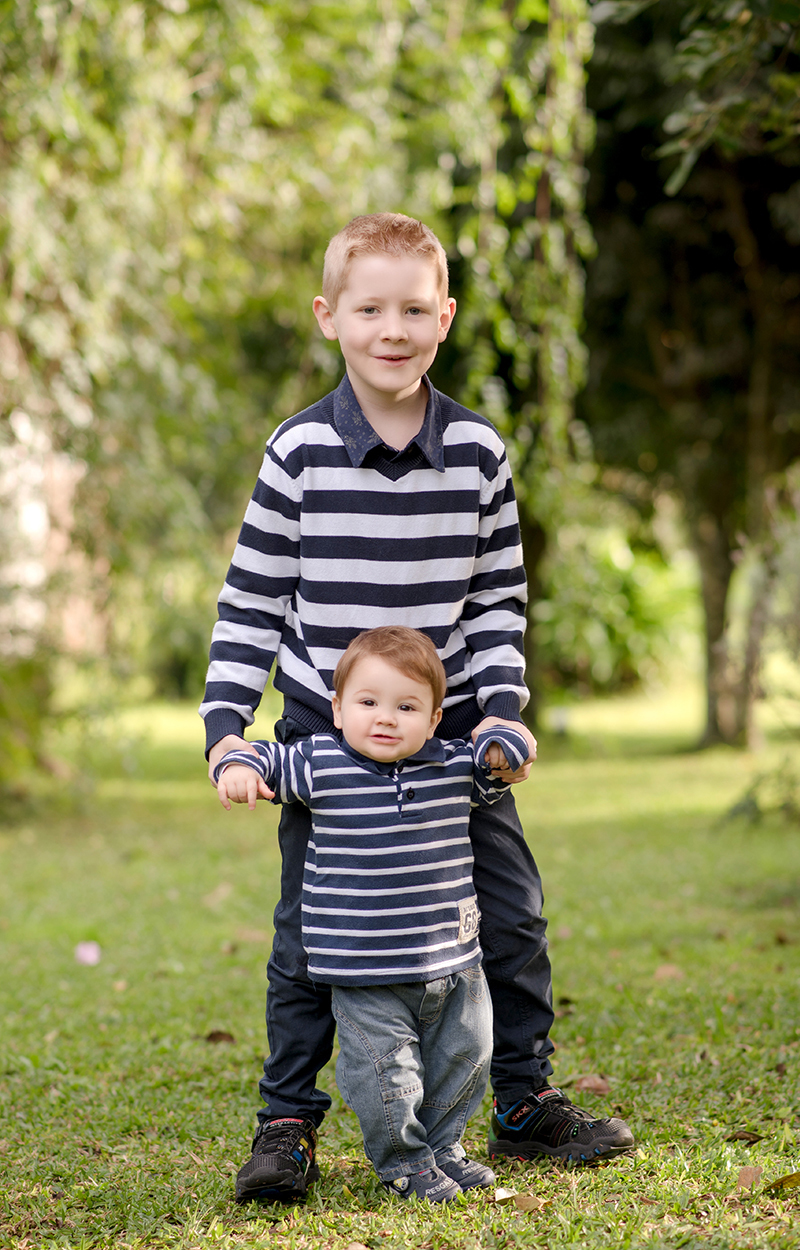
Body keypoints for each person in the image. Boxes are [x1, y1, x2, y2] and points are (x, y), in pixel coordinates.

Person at [200, 211, 634, 1204]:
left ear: (443, 317)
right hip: (324, 732)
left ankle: (521, 1099)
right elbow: (253, 600)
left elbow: (492, 600)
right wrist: (229, 728)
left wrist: (501, 713)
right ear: (329, 316)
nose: (389, 329)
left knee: (511, 917)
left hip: (450, 742)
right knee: (311, 935)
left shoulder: (476, 452)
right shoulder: (297, 451)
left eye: (410, 309)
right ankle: (285, 1122)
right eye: (368, 308)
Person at [214, 627, 531, 1202]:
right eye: (367, 703)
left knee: (466, 1057)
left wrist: (506, 742)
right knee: (386, 1076)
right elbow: (262, 756)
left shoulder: (453, 766)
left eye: (406, 707)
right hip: (365, 972)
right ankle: (404, 1164)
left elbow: (500, 762)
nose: (385, 718)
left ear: (435, 720)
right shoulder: (321, 765)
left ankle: (441, 1148)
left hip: (454, 964)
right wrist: (236, 764)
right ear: (335, 709)